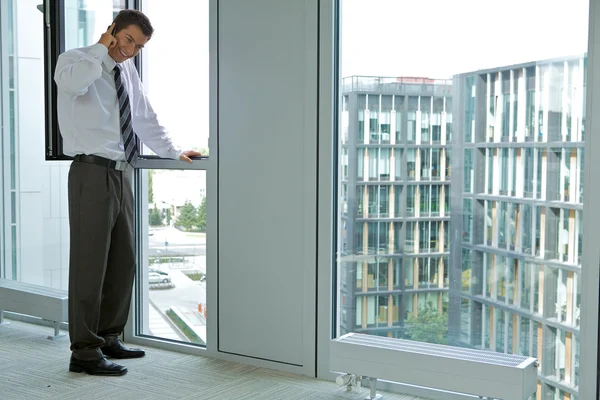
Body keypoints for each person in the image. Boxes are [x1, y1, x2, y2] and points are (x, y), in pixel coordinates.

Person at [54, 9, 202, 376]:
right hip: (91, 171)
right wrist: (102, 50)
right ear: (113, 31)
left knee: (123, 261)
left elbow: (144, 117)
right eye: (128, 40)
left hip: (123, 174)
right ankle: (84, 352)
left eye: (139, 47)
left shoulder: (128, 71)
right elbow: (74, 86)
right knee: (90, 264)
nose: (131, 50)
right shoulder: (74, 61)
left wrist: (172, 151)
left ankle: (108, 337)